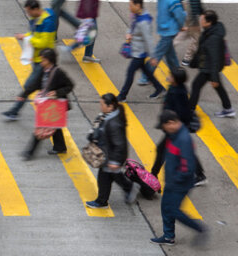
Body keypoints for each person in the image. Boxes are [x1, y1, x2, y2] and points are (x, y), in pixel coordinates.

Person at [151, 110, 209, 246]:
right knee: (166, 207)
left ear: (171, 123)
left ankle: (200, 228)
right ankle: (168, 236)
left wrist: (176, 180)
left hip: (180, 184)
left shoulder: (184, 139)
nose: (163, 130)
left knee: (173, 210)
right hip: (172, 181)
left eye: (164, 126)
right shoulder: (173, 135)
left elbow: (188, 167)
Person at [2, 0, 57, 120]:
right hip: (37, 58)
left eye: (29, 11)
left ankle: (14, 111)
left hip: (45, 61)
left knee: (29, 86)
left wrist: (27, 39)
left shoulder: (48, 22)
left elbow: (44, 42)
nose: (28, 14)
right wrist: (25, 36)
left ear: (36, 9)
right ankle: (17, 111)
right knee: (42, 88)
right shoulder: (36, 18)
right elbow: (33, 34)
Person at [151, 69, 207, 186]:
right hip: (172, 126)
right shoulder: (175, 88)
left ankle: (152, 175)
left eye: (171, 75)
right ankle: (200, 175)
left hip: (174, 128)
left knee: (162, 151)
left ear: (176, 80)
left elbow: (183, 113)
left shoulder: (178, 92)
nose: (169, 76)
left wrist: (172, 123)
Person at [85, 94, 139, 208]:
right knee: (110, 176)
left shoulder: (113, 123)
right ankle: (127, 188)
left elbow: (119, 144)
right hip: (108, 154)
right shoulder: (106, 116)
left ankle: (102, 201)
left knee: (106, 177)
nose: (100, 106)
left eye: (102, 104)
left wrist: (115, 161)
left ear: (110, 106)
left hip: (111, 156)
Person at [18, 49, 73, 159]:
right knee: (55, 126)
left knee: (41, 127)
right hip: (47, 103)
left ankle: (29, 152)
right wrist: (24, 94)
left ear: (49, 60)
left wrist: (57, 92)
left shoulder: (58, 73)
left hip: (54, 105)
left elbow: (70, 85)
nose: (41, 61)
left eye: (43, 59)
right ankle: (60, 147)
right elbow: (35, 84)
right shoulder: (43, 71)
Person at [117, 0, 165, 102]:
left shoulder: (144, 22)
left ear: (138, 5)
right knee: (147, 71)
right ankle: (159, 88)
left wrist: (153, 57)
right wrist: (129, 34)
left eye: (131, 5)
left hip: (140, 52)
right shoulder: (137, 15)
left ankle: (122, 96)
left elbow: (149, 40)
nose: (129, 7)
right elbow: (131, 27)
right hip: (137, 50)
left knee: (130, 72)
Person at [188, 10, 234, 118]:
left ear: (209, 22)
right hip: (208, 66)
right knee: (218, 87)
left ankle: (190, 110)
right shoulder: (212, 30)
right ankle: (228, 108)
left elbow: (214, 59)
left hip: (208, 67)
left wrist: (213, 77)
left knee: (196, 85)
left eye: (203, 19)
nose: (200, 20)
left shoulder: (213, 38)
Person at [149, 0, 185, 74]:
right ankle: (176, 71)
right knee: (170, 55)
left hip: (169, 31)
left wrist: (181, 26)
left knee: (157, 54)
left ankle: (146, 76)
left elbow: (180, 14)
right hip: (164, 29)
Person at [175, 0, 207, 66]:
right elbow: (195, 2)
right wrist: (196, 19)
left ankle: (169, 48)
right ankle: (187, 58)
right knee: (196, 36)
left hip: (181, 7)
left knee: (187, 31)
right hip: (190, 11)